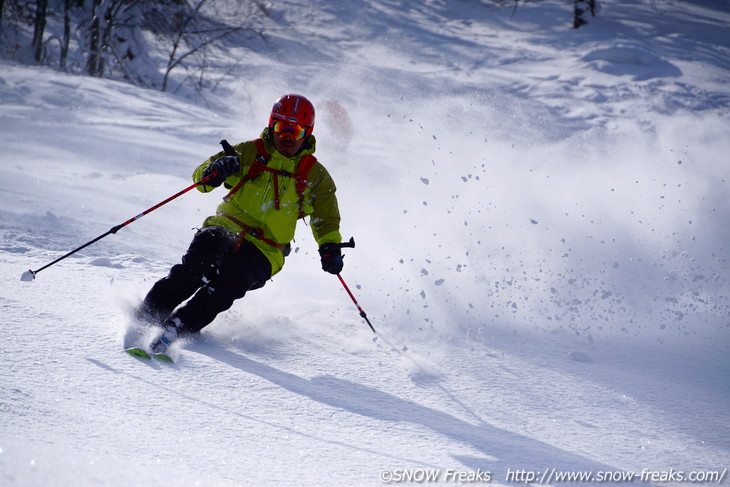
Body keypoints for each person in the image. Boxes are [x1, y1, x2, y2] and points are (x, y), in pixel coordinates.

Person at [135, 94, 345, 354]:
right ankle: (145, 317)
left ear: (307, 133)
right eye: (282, 128)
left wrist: (330, 247)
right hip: (225, 226)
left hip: (267, 248)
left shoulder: (314, 174)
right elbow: (201, 177)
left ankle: (178, 327)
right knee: (195, 269)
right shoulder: (249, 152)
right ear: (271, 126)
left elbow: (326, 218)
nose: (287, 137)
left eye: (295, 131)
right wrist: (216, 171)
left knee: (227, 284)